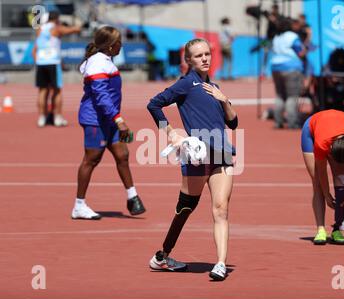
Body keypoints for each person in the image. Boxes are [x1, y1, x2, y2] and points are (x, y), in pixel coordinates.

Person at [147, 38, 238, 281]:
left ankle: (220, 263)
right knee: (186, 208)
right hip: (197, 155)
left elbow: (233, 122)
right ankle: (162, 256)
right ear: (188, 60)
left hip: (222, 153)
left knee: (221, 209)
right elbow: (154, 105)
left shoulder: (214, 86)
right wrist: (171, 134)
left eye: (207, 54)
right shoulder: (186, 84)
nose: (205, 59)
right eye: (198, 56)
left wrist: (224, 99)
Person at [71, 26, 146, 220]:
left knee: (122, 154)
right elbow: (102, 96)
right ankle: (79, 205)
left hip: (108, 118)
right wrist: (119, 119)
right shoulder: (97, 63)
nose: (122, 45)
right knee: (91, 159)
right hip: (95, 120)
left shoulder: (104, 60)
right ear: (112, 46)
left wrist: (115, 118)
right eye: (120, 42)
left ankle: (132, 197)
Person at [301, 109, 344, 245]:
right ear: (330, 150)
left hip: (336, 135)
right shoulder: (321, 143)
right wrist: (326, 194)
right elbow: (322, 171)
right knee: (317, 182)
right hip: (311, 131)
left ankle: (337, 228)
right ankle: (321, 229)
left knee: (342, 181)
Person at [32, 11, 81, 128]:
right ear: (57, 19)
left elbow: (34, 50)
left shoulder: (39, 30)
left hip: (41, 63)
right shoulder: (57, 28)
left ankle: (41, 118)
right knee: (57, 91)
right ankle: (57, 117)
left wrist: (38, 61)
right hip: (53, 62)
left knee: (42, 91)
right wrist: (78, 25)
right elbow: (75, 30)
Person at [271, 18, 306, 129]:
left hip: (275, 67)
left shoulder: (277, 37)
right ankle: (292, 122)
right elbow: (300, 52)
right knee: (292, 96)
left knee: (280, 95)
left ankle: (278, 121)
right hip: (291, 67)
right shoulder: (292, 36)